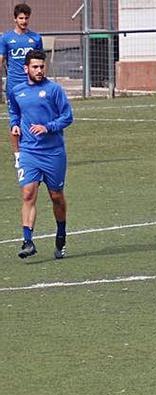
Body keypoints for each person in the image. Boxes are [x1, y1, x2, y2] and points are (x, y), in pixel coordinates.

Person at [9, 50, 72, 259]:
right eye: (35, 67)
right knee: (28, 193)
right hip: (29, 151)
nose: (39, 70)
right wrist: (14, 125)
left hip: (53, 153)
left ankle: (61, 235)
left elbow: (67, 116)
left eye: (42, 66)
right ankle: (27, 241)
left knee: (56, 197)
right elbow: (15, 112)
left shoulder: (54, 90)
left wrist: (48, 127)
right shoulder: (17, 91)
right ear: (25, 68)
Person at [2, 3, 43, 169]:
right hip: (14, 85)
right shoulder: (6, 39)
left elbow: (40, 61)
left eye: (26, 18)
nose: (24, 21)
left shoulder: (35, 38)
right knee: (15, 119)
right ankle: (18, 155)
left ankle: (35, 151)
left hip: (32, 85)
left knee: (35, 116)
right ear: (15, 19)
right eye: (21, 18)